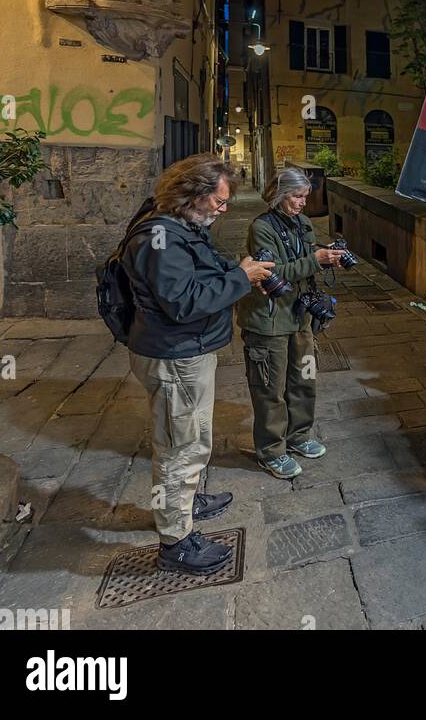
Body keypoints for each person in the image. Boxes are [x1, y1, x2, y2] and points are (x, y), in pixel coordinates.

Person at [120, 155, 274, 575]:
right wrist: (241, 278)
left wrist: (238, 270)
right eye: (220, 203)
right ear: (193, 194)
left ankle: (185, 502)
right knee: (179, 448)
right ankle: (176, 543)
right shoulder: (160, 238)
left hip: (185, 352)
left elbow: (197, 278)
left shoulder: (179, 225)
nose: (223, 210)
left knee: (193, 436)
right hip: (175, 356)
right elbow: (184, 302)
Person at [237, 168, 343, 478]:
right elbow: (273, 272)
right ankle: (271, 451)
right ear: (280, 195)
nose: (302, 203)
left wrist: (327, 256)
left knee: (303, 380)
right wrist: (316, 259)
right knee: (271, 387)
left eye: (305, 197)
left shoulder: (303, 223)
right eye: (297, 197)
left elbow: (305, 257)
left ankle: (299, 437)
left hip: (299, 315)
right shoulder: (261, 228)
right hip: (268, 319)